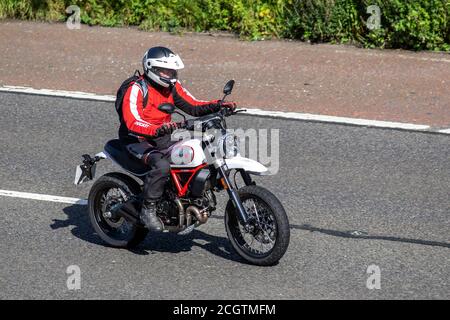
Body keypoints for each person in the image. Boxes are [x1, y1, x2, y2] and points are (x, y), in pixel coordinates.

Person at [120, 46, 236, 231]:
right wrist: (157, 129)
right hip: (137, 139)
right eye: (166, 71)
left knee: (200, 148)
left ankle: (186, 195)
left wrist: (219, 105)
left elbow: (194, 106)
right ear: (153, 69)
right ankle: (148, 210)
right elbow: (132, 122)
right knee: (162, 166)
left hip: (164, 135)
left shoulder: (171, 86)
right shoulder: (136, 89)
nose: (171, 74)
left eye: (172, 70)